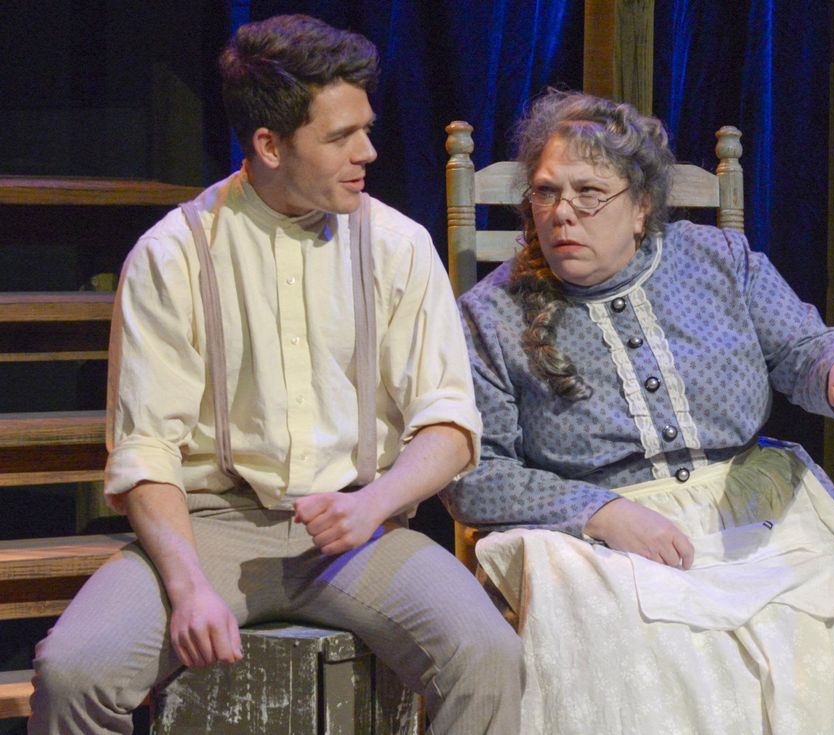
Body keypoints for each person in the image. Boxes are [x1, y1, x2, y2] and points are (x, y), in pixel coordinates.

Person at [29, 15, 521, 734]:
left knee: (487, 655)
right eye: (339, 137)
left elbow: (447, 421)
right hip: (212, 529)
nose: (369, 151)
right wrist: (188, 585)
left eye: (367, 127)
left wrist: (373, 503)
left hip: (359, 529)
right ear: (268, 144)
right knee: (73, 673)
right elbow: (146, 455)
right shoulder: (175, 255)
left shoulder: (398, 245)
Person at [442, 89, 834, 734]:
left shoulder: (718, 260)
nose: (562, 215)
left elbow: (803, 346)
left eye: (588, 193)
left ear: (641, 207)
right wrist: (599, 512)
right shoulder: (490, 315)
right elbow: (474, 473)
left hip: (750, 507)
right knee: (647, 639)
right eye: (546, 193)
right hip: (595, 537)